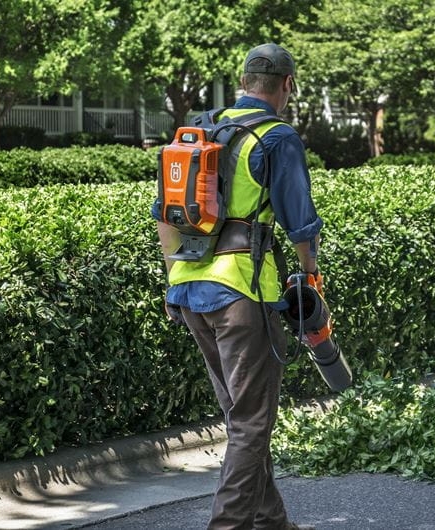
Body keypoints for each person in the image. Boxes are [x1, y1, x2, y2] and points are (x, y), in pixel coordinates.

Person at [153, 43, 322, 530]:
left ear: (243, 82)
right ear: (287, 85)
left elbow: (166, 214)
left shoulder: (201, 129)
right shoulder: (276, 137)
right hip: (242, 293)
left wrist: (173, 278)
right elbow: (300, 223)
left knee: (243, 418)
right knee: (252, 423)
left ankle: (273, 523)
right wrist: (309, 276)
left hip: (190, 291)